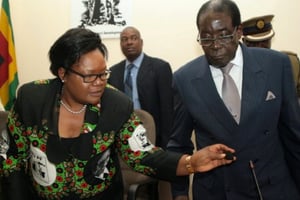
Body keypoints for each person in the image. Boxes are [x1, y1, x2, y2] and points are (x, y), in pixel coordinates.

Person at [0, 27, 236, 200]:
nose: (99, 83)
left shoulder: (116, 105)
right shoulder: (31, 99)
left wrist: (190, 163)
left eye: (103, 74)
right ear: (63, 74)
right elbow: (11, 160)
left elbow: (143, 155)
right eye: (90, 76)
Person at [167, 0, 300, 199]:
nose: (215, 45)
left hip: (272, 187)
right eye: (206, 38)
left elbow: (292, 134)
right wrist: (180, 195)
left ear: (239, 32)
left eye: (223, 35)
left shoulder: (275, 65)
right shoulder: (185, 79)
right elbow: (178, 144)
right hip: (219, 190)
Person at [108, 26, 173, 149]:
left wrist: (166, 144)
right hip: (123, 135)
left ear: (141, 42)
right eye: (124, 39)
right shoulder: (113, 72)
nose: (129, 42)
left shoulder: (160, 68)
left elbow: (167, 109)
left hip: (152, 132)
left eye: (134, 38)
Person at [242, 14, 300, 98]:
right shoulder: (237, 69)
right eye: (254, 43)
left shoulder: (290, 63)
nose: (261, 47)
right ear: (244, 42)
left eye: (265, 41)